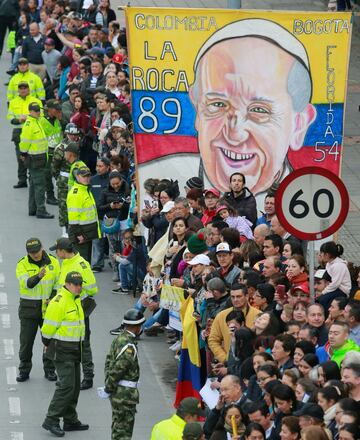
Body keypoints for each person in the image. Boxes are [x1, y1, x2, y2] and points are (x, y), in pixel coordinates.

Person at [189, 19, 316, 195]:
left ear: (299, 125)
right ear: (197, 109)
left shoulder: (306, 201)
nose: (235, 134)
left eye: (259, 110)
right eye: (217, 104)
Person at [41, 271, 88, 437]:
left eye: (80, 284)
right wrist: (46, 345)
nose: (78, 287)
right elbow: (47, 329)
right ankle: (51, 419)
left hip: (74, 349)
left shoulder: (75, 300)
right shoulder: (59, 302)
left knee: (74, 386)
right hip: (61, 349)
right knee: (66, 385)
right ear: (67, 284)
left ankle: (69, 419)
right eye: (75, 284)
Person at [50, 237, 98, 390]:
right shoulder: (66, 263)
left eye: (57, 251)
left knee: (83, 343)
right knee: (65, 343)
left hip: (78, 309)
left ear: (63, 251)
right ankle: (69, 377)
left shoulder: (80, 264)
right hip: (64, 309)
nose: (56, 253)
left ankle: (88, 376)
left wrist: (76, 293)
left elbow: (92, 289)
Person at [15, 237, 59, 382]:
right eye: (32, 252)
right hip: (29, 310)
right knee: (26, 342)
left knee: (49, 342)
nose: (36, 254)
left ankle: (50, 369)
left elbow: (58, 285)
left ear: (42, 248)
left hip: (48, 309)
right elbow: (26, 284)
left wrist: (52, 297)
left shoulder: (53, 262)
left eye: (37, 251)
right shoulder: (22, 264)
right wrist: (38, 276)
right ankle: (24, 370)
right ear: (28, 252)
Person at [103, 308, 145, 440]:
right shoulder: (129, 346)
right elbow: (118, 369)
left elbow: (108, 362)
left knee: (117, 427)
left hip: (118, 392)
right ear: (136, 327)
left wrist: (108, 386)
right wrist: (109, 387)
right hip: (125, 395)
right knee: (123, 432)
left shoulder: (119, 339)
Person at [208, 283, 260, 363]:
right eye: (232, 297)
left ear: (246, 296)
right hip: (229, 362)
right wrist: (225, 359)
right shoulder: (221, 316)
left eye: (239, 296)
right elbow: (213, 340)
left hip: (252, 362)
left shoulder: (258, 315)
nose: (235, 300)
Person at [19, 102, 54, 219]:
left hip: (39, 157)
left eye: (38, 110)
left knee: (34, 184)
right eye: (35, 110)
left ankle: (33, 208)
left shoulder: (37, 121)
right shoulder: (29, 124)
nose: (38, 112)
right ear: (30, 111)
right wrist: (23, 153)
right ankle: (41, 209)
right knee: (40, 185)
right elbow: (24, 142)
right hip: (35, 158)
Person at [7, 81, 42, 189]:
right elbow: (10, 118)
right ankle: (22, 180)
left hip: (33, 131)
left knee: (33, 156)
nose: (23, 90)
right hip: (19, 132)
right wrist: (19, 120)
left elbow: (41, 116)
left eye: (25, 88)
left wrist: (29, 117)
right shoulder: (13, 102)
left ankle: (32, 177)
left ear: (28, 89)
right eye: (21, 88)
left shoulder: (36, 101)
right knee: (20, 157)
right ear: (18, 90)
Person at [52, 125, 81, 236]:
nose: (73, 137)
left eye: (75, 135)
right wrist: (58, 178)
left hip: (77, 178)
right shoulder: (60, 148)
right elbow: (55, 165)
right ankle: (65, 228)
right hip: (64, 178)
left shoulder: (79, 145)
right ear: (66, 134)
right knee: (64, 204)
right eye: (71, 134)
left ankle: (74, 227)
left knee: (75, 204)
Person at [67, 166, 100, 262]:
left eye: (88, 176)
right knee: (81, 263)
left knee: (85, 263)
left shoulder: (85, 189)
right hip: (81, 235)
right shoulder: (76, 194)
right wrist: (78, 235)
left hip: (87, 234)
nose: (87, 178)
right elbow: (73, 218)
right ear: (77, 177)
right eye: (84, 176)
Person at [318, 242, 351, 309]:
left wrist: (323, 292)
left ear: (327, 254)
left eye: (321, 253)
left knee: (323, 300)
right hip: (334, 288)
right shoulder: (329, 264)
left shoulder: (338, 265)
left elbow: (335, 284)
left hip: (342, 290)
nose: (320, 255)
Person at [42, 99, 63, 206]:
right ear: (49, 110)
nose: (58, 111)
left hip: (58, 152)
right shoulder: (42, 121)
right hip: (47, 152)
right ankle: (50, 196)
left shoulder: (57, 120)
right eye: (56, 109)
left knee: (58, 173)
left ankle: (61, 195)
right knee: (47, 174)